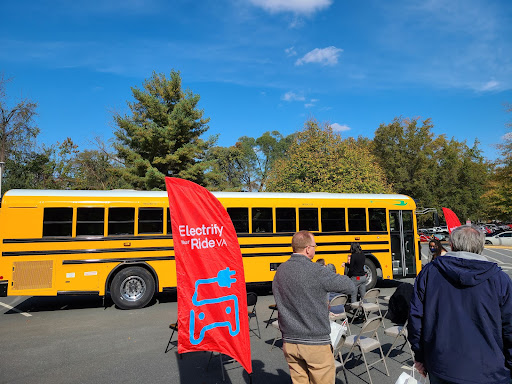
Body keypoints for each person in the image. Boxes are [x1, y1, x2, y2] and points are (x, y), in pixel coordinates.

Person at [408, 225, 512, 384]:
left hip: (441, 366)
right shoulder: (500, 280)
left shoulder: (429, 273)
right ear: (481, 246)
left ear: (452, 244)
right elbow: (509, 327)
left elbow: (416, 319)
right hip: (489, 371)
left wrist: (420, 356)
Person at [272, 230, 356, 384]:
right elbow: (350, 286)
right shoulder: (317, 271)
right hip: (315, 343)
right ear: (308, 249)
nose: (315, 249)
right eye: (315, 246)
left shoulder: (280, 271)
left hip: (289, 341)